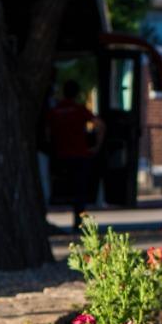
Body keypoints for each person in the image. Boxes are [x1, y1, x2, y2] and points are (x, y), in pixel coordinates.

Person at [46, 80, 105, 230]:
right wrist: (96, 146)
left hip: (60, 155)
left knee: (62, 187)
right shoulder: (80, 110)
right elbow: (100, 124)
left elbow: (47, 131)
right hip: (80, 155)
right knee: (80, 190)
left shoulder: (55, 111)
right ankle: (78, 221)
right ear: (77, 93)